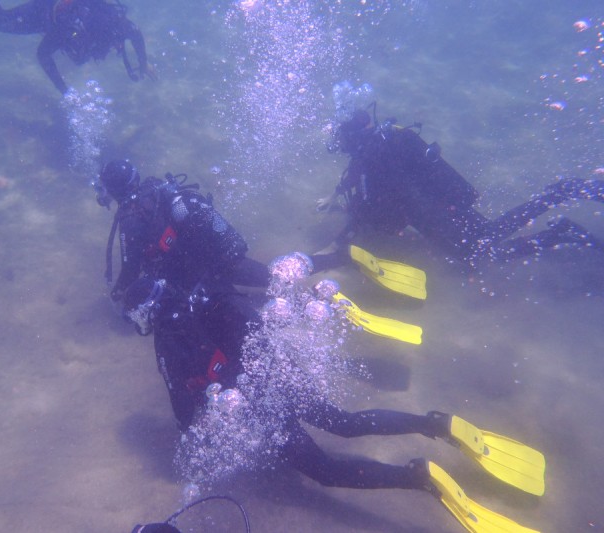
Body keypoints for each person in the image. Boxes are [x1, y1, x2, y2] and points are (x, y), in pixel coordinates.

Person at [121, 254, 542, 532]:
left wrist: (198, 434)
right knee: (345, 422)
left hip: (255, 404)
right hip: (279, 374)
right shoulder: (200, 295)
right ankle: (435, 423)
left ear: (147, 313)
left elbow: (184, 408)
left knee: (324, 469)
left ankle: (417, 477)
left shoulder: (169, 340)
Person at [313, 102, 604, 271]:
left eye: (341, 142)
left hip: (436, 211)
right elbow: (362, 184)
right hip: (438, 206)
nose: (340, 148)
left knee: (482, 249)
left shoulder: (372, 155)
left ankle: (559, 197)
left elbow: (369, 205)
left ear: (351, 139)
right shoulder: (379, 146)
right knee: (479, 251)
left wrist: (338, 242)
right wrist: (335, 197)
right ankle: (560, 229)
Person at [94, 159, 270, 305]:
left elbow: (130, 269)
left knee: (230, 304)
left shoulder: (130, 218)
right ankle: (289, 284)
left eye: (103, 188)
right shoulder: (155, 186)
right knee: (270, 279)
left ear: (115, 190)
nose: (102, 193)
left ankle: (274, 304)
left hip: (195, 269)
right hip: (214, 250)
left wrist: (116, 296)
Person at [0, 0, 155, 94]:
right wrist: (63, 90)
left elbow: (136, 33)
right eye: (111, 47)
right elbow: (43, 54)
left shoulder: (115, 24)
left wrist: (144, 62)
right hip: (44, 10)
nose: (112, 50)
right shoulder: (69, 30)